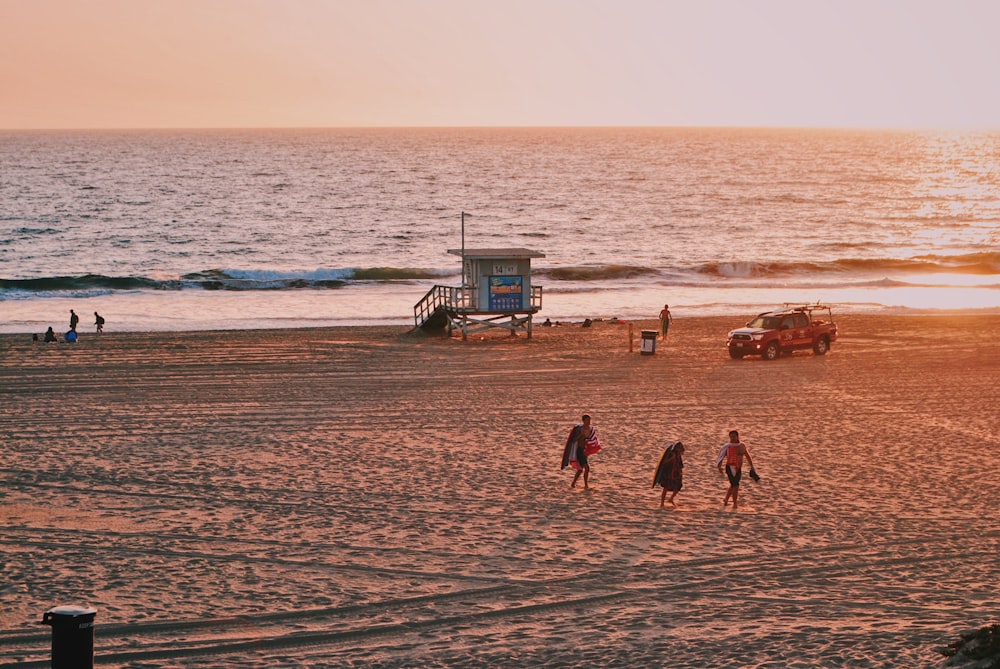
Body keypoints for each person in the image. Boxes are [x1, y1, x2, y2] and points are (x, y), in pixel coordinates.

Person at [716, 430, 755, 510]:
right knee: (736, 485)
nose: (732, 438)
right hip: (730, 467)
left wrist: (752, 466)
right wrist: (719, 467)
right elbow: (721, 456)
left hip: (738, 468)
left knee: (733, 485)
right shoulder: (727, 446)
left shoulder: (742, 446)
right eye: (731, 437)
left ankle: (726, 499)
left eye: (734, 436)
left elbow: (747, 456)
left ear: (737, 436)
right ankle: (735, 503)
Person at [561, 413, 601, 489]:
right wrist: (581, 435)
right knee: (587, 468)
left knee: (580, 469)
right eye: (587, 420)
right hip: (579, 451)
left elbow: (592, 439)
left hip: (585, 451)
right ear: (583, 421)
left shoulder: (590, 429)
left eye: (589, 420)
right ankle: (586, 485)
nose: (589, 422)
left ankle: (573, 483)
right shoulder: (580, 429)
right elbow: (573, 440)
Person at [653, 441, 685, 507]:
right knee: (666, 487)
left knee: (678, 487)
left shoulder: (678, 456)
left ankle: (671, 499)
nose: (681, 452)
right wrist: (671, 458)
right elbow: (664, 463)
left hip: (676, 474)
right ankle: (662, 503)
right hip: (668, 473)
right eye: (680, 450)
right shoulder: (672, 454)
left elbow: (680, 465)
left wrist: (681, 473)